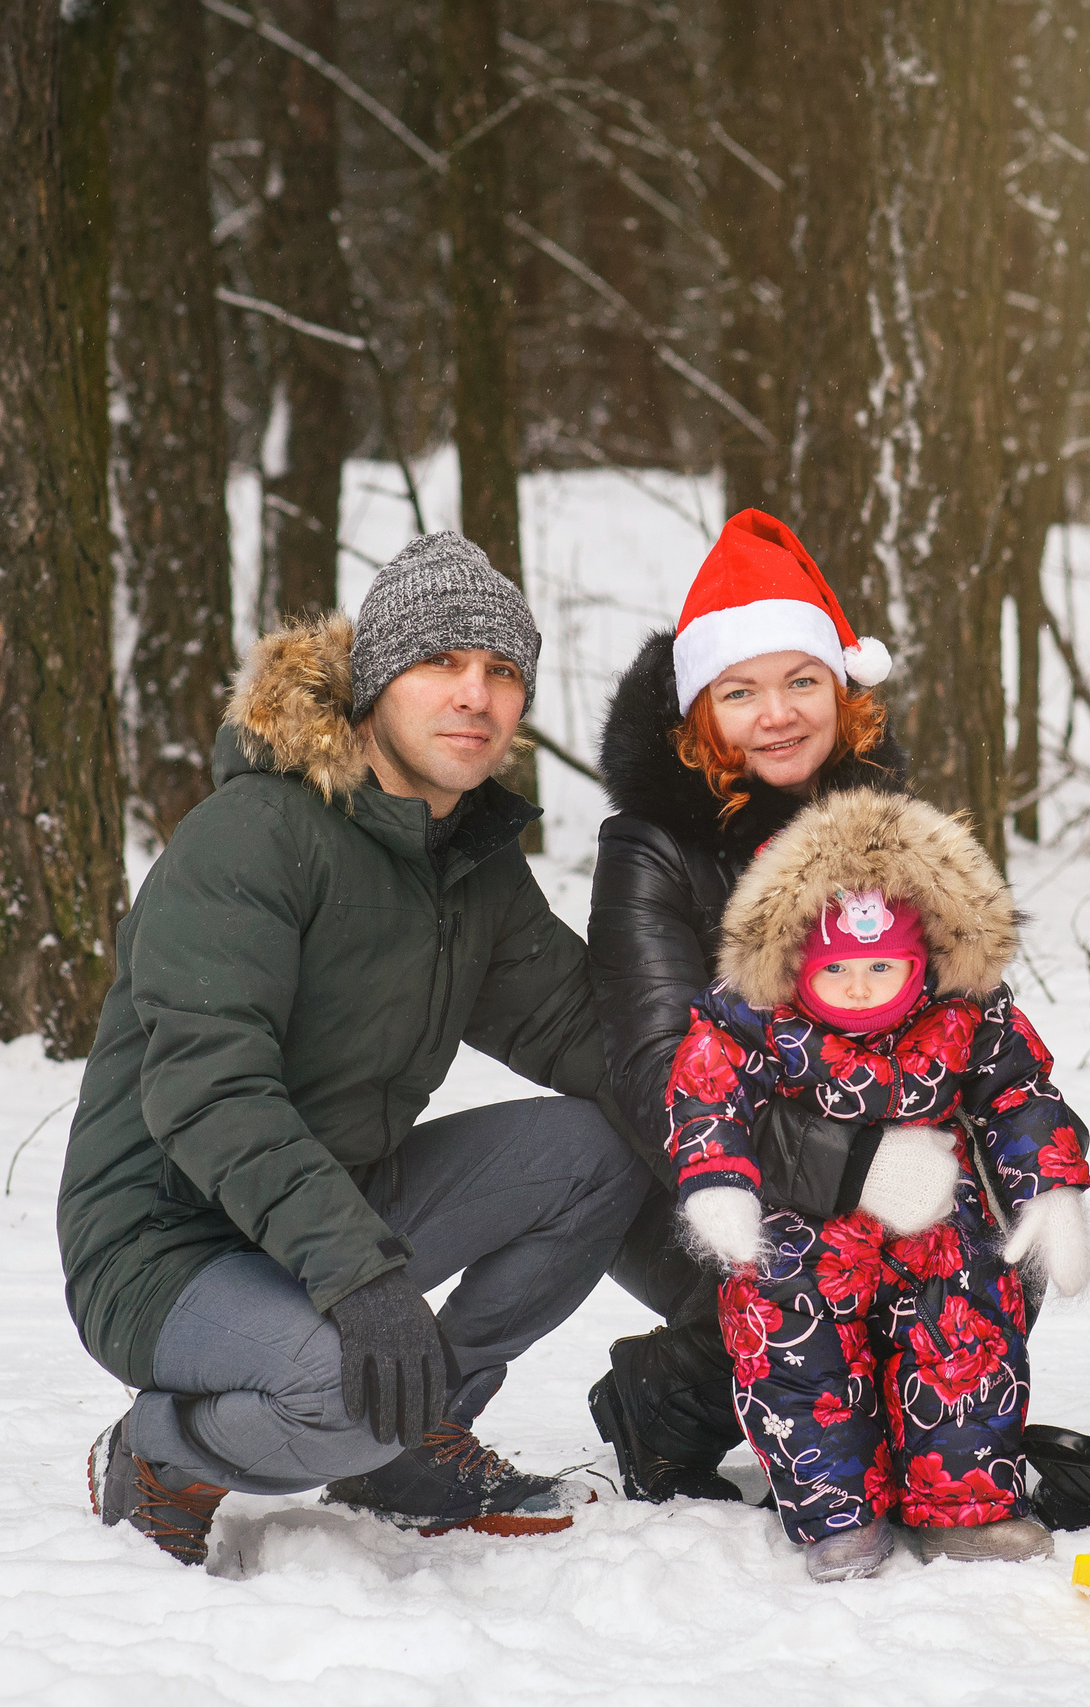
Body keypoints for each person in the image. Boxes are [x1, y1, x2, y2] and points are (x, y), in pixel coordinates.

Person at [59, 533, 647, 1565]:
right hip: (165, 1246)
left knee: (595, 1153)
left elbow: (584, 1033)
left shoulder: (465, 862)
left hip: (333, 1212)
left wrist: (784, 1136)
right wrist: (360, 1281)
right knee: (341, 1389)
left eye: (502, 672)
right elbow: (209, 1092)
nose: (475, 695)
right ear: (375, 684)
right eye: (442, 663)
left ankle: (410, 1438)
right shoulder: (255, 836)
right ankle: (158, 1449)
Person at [668, 787, 1090, 1581]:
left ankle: (965, 1504)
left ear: (922, 958)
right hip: (806, 1223)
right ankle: (838, 1515)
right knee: (796, 1353)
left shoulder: (965, 1009)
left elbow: (1019, 1094)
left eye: (882, 965)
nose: (861, 987)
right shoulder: (753, 1016)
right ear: (797, 962)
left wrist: (1049, 1188)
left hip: (933, 1214)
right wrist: (718, 1180)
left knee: (967, 1326)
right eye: (838, 970)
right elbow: (706, 1089)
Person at [584, 510, 909, 1502]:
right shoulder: (650, 849)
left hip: (869, 1147)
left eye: (801, 682)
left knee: (976, 1242)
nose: (778, 714)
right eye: (742, 692)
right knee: (825, 1277)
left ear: (840, 694)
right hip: (700, 1182)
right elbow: (657, 1074)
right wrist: (853, 1167)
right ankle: (664, 1398)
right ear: (698, 713)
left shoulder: (885, 828)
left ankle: (910, 1418)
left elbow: (958, 1010)